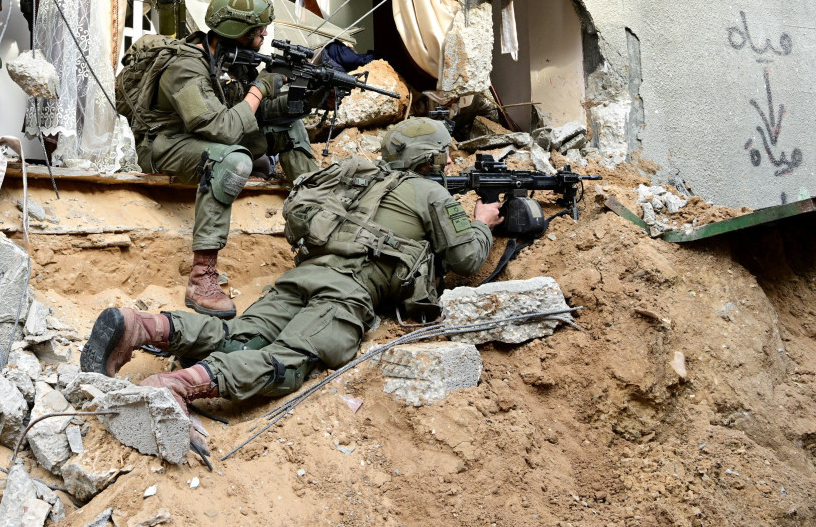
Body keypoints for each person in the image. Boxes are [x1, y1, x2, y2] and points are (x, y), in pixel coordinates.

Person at [80, 117, 502, 413]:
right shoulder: (431, 194)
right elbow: (465, 259)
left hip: (301, 276)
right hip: (347, 292)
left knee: (237, 335)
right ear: (430, 159)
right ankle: (177, 386)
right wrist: (482, 224)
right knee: (287, 362)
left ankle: (142, 327)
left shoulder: (355, 176)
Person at [131, 0, 319, 319]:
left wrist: (305, 99)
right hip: (165, 144)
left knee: (289, 125)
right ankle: (201, 278)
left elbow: (248, 113)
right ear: (237, 32)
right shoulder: (184, 69)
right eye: (258, 30)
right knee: (233, 161)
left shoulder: (232, 59)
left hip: (205, 137)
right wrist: (260, 87)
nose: (264, 35)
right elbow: (224, 129)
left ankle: (317, 229)